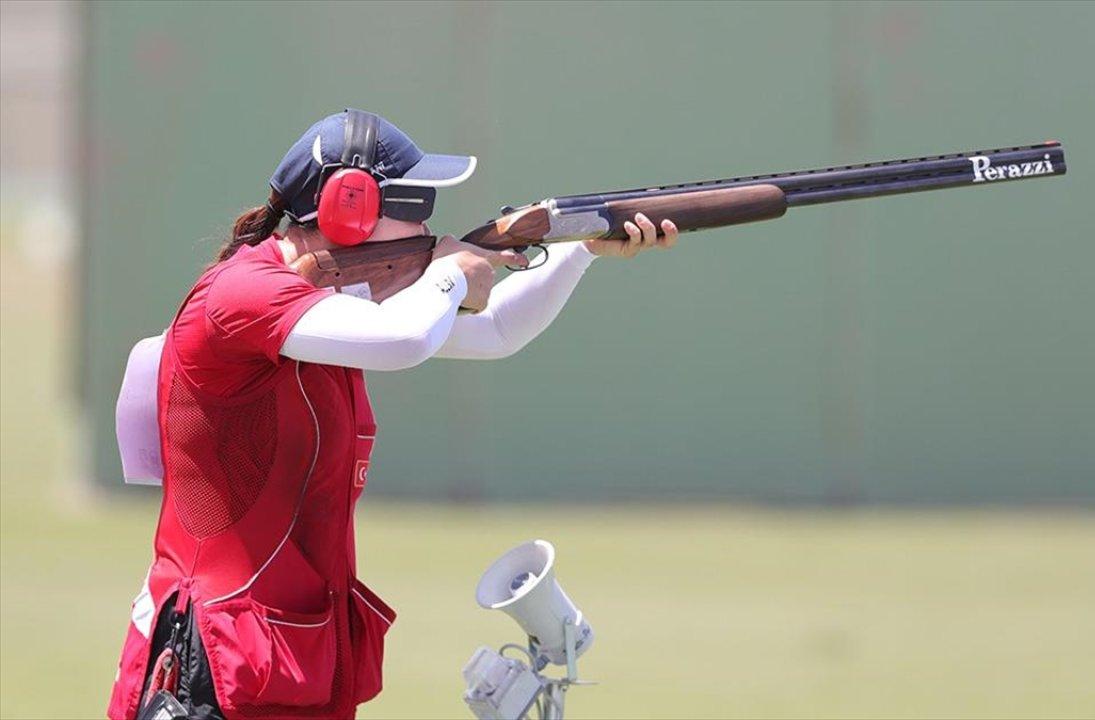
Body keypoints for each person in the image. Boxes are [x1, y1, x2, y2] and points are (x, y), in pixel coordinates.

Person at [106, 109, 678, 720]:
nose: (429, 224)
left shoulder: (325, 298)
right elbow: (404, 340)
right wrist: (451, 275)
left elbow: (499, 330)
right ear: (348, 207)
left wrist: (581, 251)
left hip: (285, 657)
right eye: (416, 204)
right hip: (215, 666)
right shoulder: (242, 292)